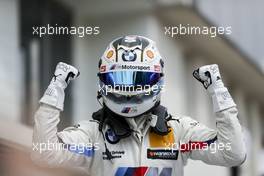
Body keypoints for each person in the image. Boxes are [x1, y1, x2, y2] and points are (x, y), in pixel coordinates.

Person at [31, 35, 246, 176]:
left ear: (157, 79)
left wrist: (217, 90)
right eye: (120, 78)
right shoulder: (93, 135)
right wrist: (55, 89)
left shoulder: (180, 132)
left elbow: (233, 153)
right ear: (104, 79)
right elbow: (44, 153)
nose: (129, 87)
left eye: (138, 78)